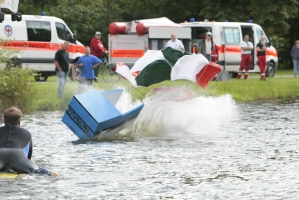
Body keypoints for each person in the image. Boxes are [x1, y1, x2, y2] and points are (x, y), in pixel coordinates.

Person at [0, 106, 58, 176]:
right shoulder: (26, 133)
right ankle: (51, 174)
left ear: (4, 121)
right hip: (18, 156)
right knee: (36, 171)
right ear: (19, 122)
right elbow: (29, 157)